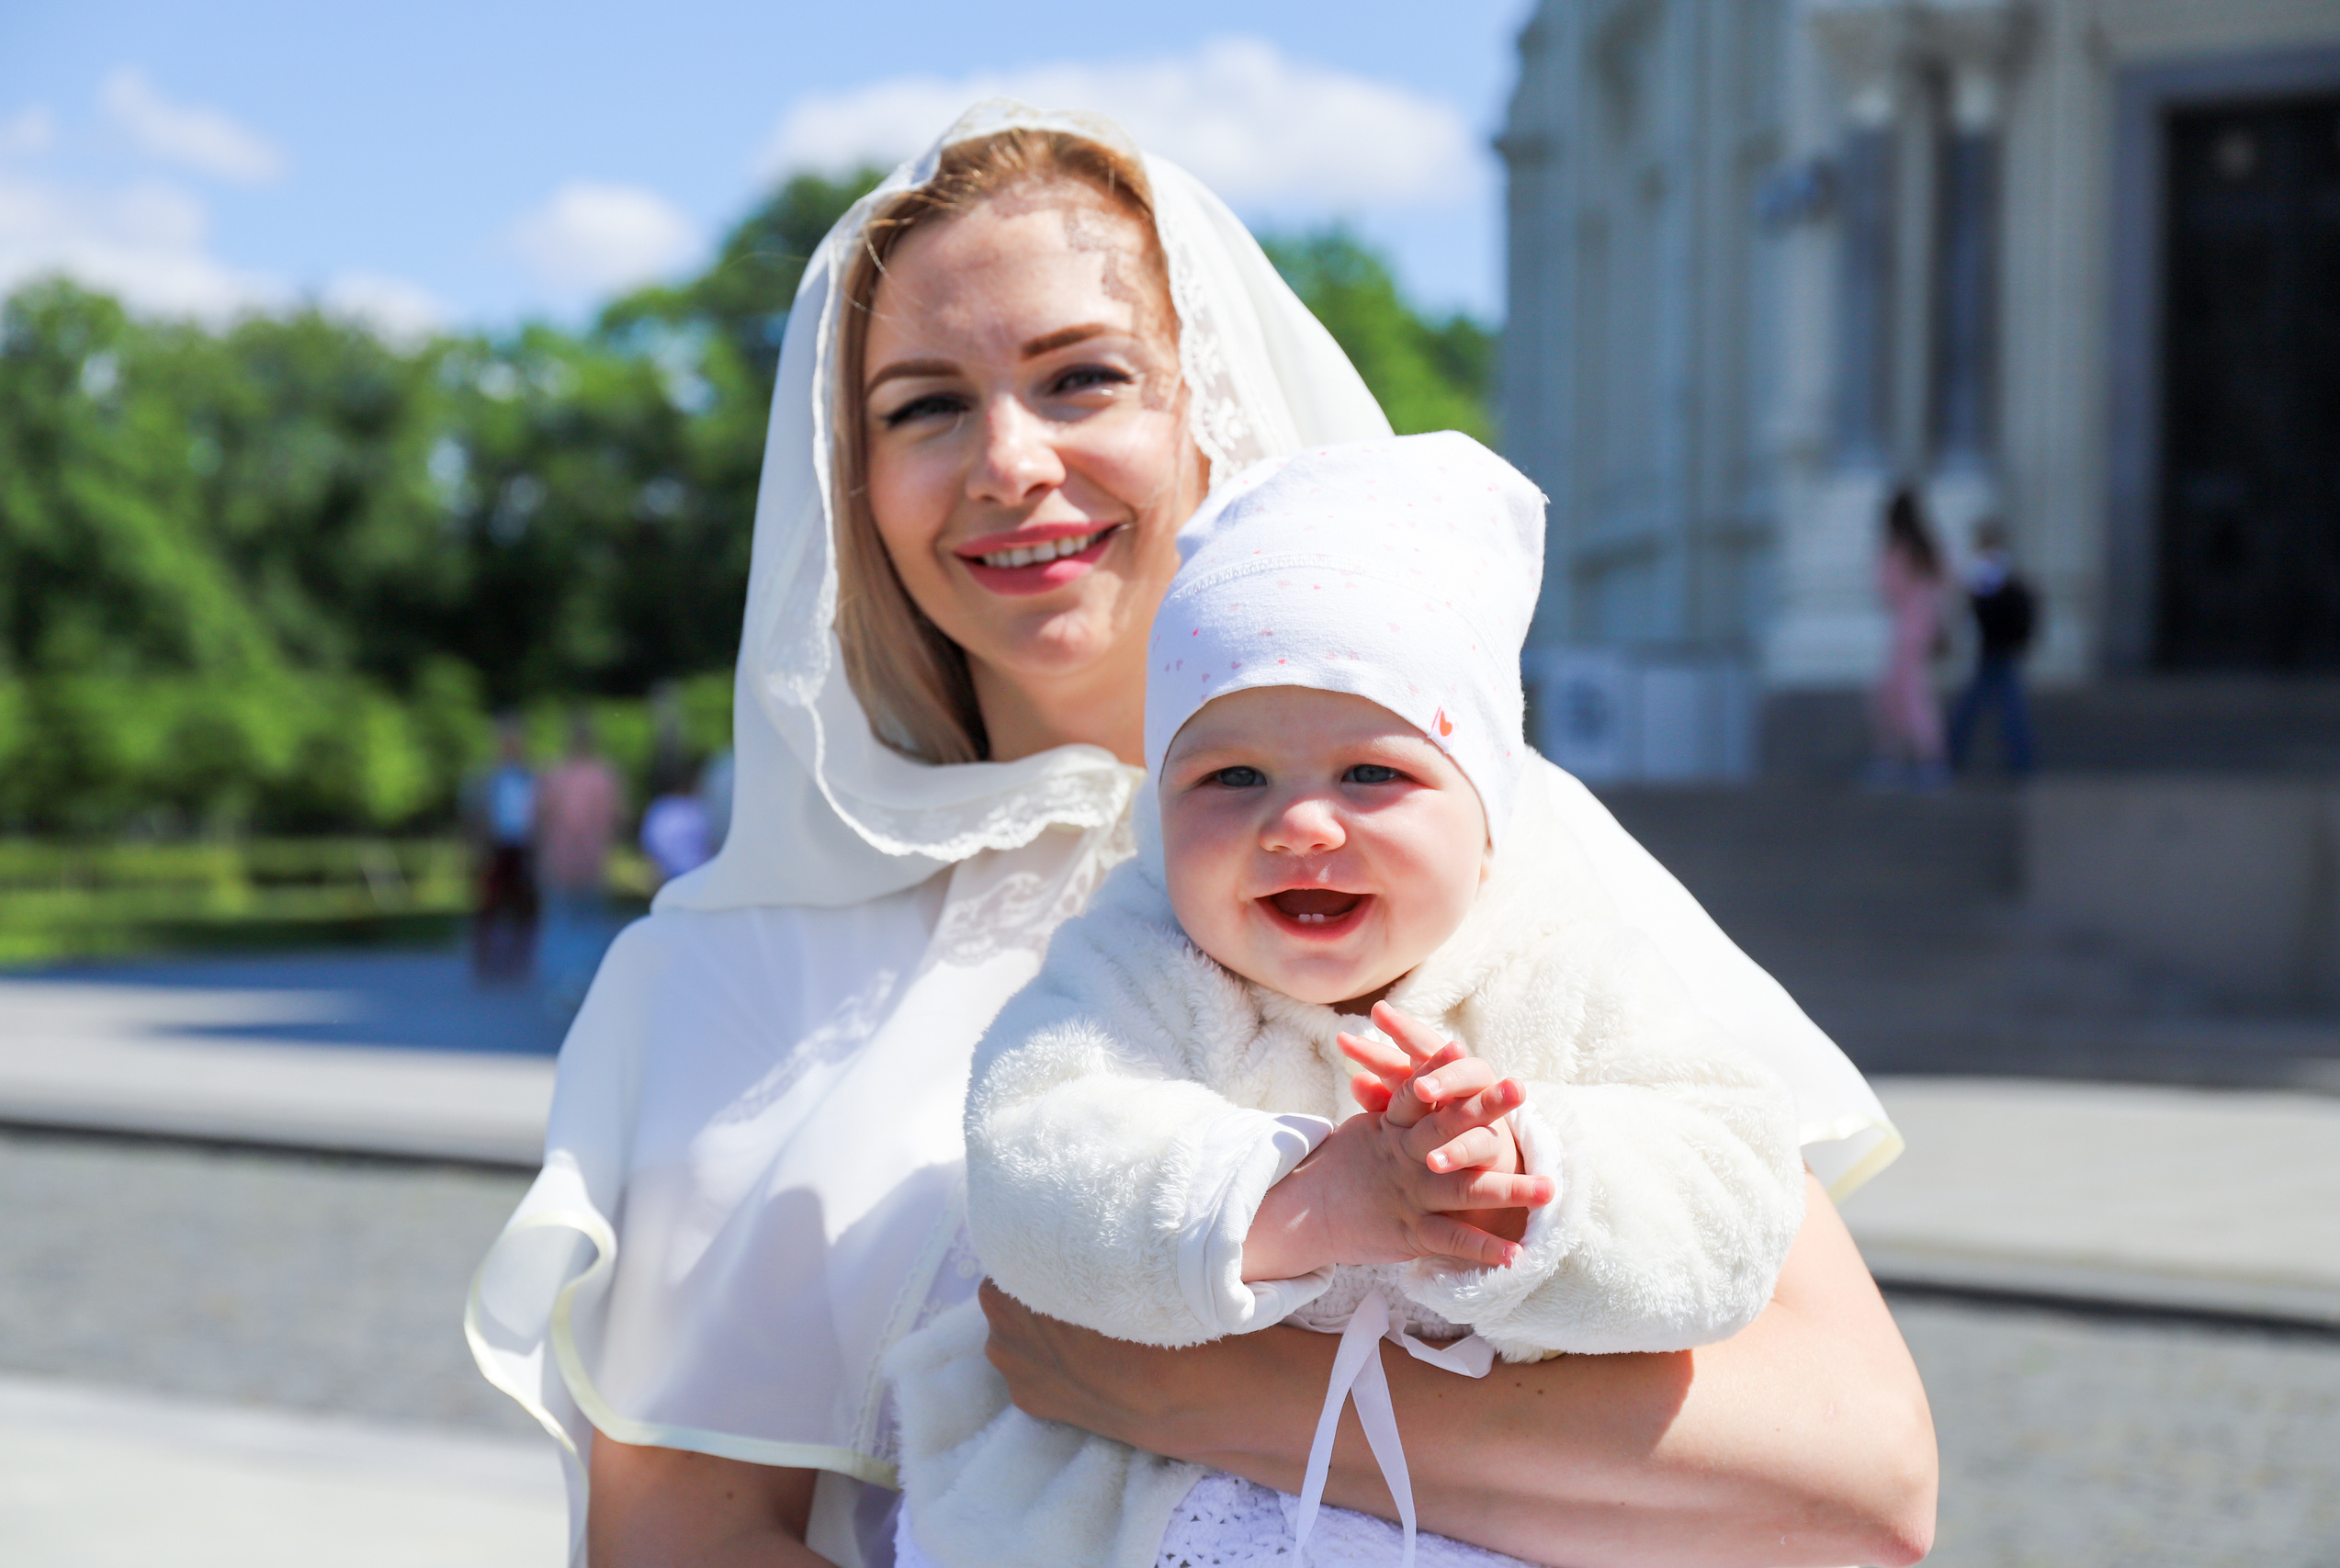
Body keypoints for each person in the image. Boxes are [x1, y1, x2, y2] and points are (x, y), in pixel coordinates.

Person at [465, 103, 1933, 1568]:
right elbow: (684, 1537)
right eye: (922, 406)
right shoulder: (719, 974)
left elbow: (1861, 1482)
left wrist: (1194, 1391)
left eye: (1082, 377)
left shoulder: (1514, 858)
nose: (1009, 459)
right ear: (851, 478)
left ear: (1207, 401)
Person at [891, 434, 1808, 1568]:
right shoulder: (1135, 962)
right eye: (1230, 776)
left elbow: (1728, 1185)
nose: (1298, 825)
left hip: (1497, 1501)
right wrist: (1303, 1202)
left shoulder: (1564, 959)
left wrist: (1526, 1181)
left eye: (1373, 773)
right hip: (1148, 1492)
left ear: (1488, 820)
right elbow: (1032, 1163)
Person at [535, 711, 623, 1010]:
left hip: (559, 862)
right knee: (588, 926)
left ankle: (563, 985)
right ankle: (581, 984)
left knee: (561, 925)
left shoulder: (554, 775)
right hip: (590, 862)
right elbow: (615, 819)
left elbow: (538, 818)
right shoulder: (604, 776)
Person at [1871, 488, 1950, 789]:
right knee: (1899, 693)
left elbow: (1887, 588)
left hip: (1908, 626)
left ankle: (1923, 759)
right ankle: (1900, 758)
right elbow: (1944, 581)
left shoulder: (1898, 547)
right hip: (1924, 623)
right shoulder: (1925, 545)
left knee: (1906, 695)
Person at [1946, 520, 2038, 777]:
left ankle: (1953, 755)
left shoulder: (1989, 568)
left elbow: (1984, 605)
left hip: (1995, 646)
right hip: (2002, 646)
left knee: (1983, 707)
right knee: (2005, 707)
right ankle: (2020, 762)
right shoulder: (2004, 567)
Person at [469, 716, 538, 982]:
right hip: (496, 847)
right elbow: (475, 815)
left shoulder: (530, 776)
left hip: (522, 847)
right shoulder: (485, 777)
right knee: (489, 906)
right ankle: (486, 963)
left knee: (523, 906)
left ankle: (517, 963)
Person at [639, 755, 715, 886]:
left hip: (673, 876)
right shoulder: (696, 807)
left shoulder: (659, 809)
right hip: (697, 875)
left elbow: (649, 844)